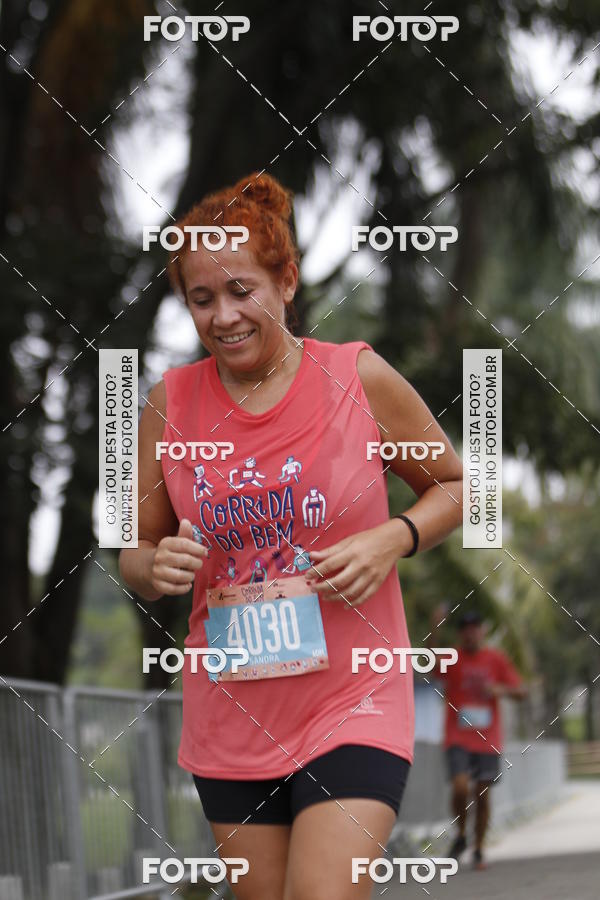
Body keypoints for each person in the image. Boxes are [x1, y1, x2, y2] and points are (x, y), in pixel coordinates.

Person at [119, 172, 464, 900]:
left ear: (287, 282)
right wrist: (157, 566)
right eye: (201, 298)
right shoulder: (166, 404)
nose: (223, 316)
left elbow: (463, 490)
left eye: (242, 290)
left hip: (354, 698)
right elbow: (134, 551)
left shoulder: (355, 378)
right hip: (232, 709)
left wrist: (394, 537)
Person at [429, 607, 528, 871]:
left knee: (482, 794)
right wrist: (435, 627)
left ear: (481, 632)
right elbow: (430, 666)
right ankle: (461, 834)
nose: (470, 634)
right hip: (457, 736)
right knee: (461, 787)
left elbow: (522, 692)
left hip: (487, 738)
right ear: (461, 634)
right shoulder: (452, 657)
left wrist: (501, 689)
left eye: (475, 629)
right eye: (465, 630)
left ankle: (479, 848)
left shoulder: (496, 659)